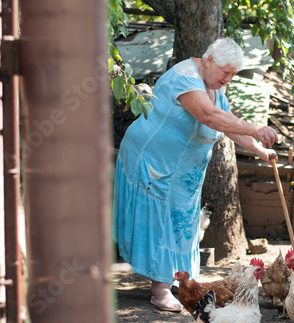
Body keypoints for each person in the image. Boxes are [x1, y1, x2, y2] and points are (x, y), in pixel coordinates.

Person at [113, 37, 278, 311]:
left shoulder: (215, 88)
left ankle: (179, 281)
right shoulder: (184, 76)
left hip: (182, 175)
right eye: (225, 72)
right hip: (154, 163)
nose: (228, 79)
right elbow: (208, 116)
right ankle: (160, 289)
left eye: (233, 75)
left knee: (183, 223)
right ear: (209, 59)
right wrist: (254, 127)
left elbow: (227, 125)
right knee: (162, 223)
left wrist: (260, 150)